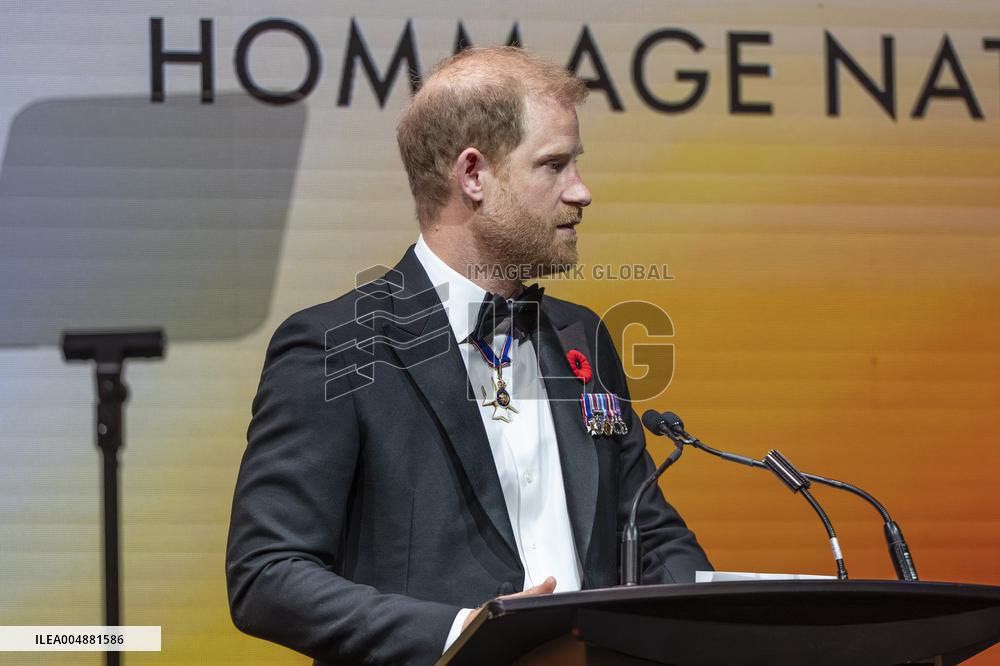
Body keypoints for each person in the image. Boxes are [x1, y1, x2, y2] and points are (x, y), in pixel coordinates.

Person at [226, 46, 711, 665]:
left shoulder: (583, 337)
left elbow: (647, 530)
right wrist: (462, 634)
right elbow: (267, 575)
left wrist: (713, 619)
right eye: (554, 165)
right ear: (473, 175)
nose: (582, 192)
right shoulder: (336, 345)